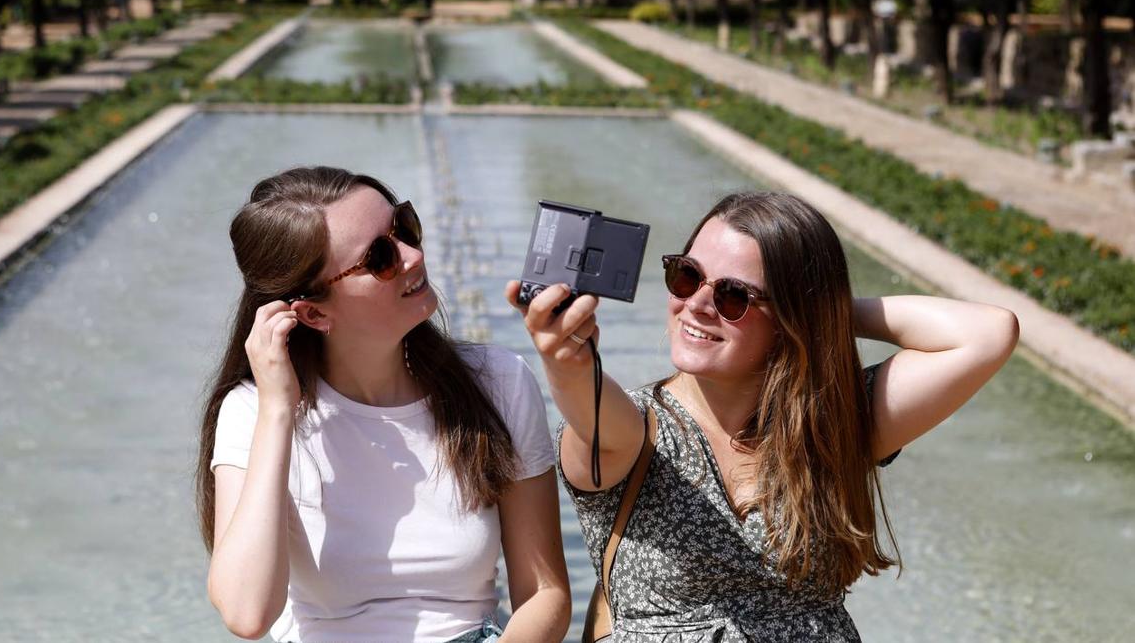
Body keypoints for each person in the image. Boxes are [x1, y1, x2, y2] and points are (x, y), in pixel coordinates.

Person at [505, 191, 1020, 641]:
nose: (698, 305)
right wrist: (566, 359)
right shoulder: (637, 431)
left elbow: (987, 334)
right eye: (687, 277)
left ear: (790, 319)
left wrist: (826, 312)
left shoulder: (830, 422)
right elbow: (590, 404)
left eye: (733, 296)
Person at [198, 166, 570, 642]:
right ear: (313, 312)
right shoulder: (253, 411)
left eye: (405, 227)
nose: (414, 256)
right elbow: (247, 615)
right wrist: (277, 412)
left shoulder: (497, 382)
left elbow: (546, 594)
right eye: (380, 257)